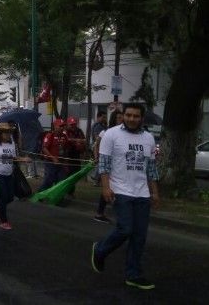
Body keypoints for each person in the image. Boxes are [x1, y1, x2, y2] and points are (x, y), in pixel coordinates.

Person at [91, 103, 159, 290]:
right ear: (123, 115)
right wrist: (106, 188)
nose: (131, 119)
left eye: (136, 116)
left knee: (139, 237)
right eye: (128, 115)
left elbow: (151, 168)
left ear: (141, 118)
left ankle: (133, 274)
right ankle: (100, 249)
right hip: (120, 190)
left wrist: (154, 192)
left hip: (142, 193)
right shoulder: (111, 134)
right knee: (125, 229)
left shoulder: (148, 138)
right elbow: (104, 164)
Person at [92, 110, 124, 222]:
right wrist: (97, 157)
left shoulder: (123, 133)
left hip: (118, 165)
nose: (121, 120)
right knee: (109, 187)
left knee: (113, 188)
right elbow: (96, 145)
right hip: (107, 164)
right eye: (119, 118)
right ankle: (101, 213)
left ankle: (101, 213)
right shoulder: (106, 132)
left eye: (122, 117)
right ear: (114, 119)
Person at [39, 119, 70, 192]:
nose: (62, 128)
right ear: (55, 126)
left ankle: (57, 196)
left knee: (61, 180)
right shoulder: (50, 135)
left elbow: (66, 149)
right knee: (49, 179)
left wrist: (66, 162)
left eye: (63, 126)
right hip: (50, 162)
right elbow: (44, 148)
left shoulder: (65, 136)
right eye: (60, 126)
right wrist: (53, 158)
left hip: (61, 162)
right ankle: (41, 193)